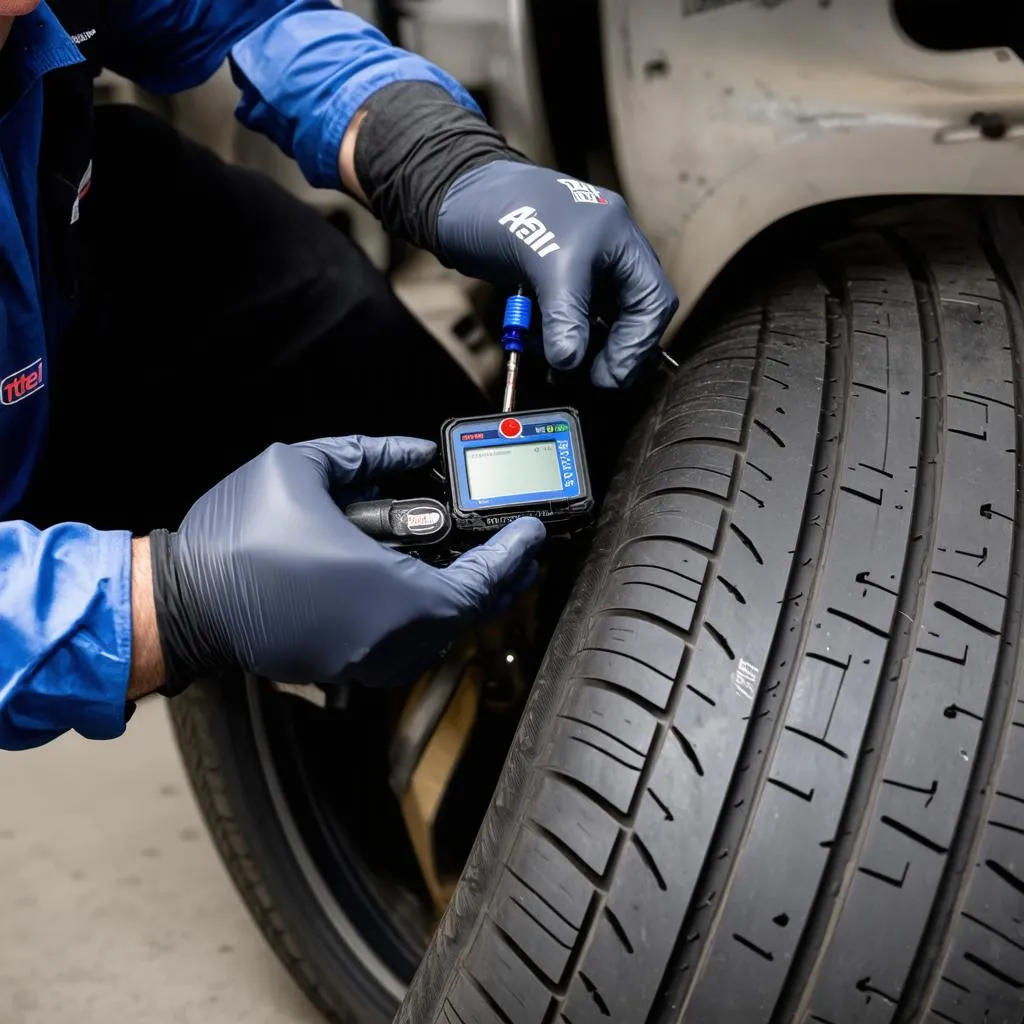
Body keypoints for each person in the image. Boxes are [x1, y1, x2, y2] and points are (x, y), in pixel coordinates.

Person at [0, 0, 679, 750]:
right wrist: (165, 604)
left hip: (62, 244)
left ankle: (473, 642)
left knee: (325, 324)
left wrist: (437, 155)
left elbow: (254, 17)